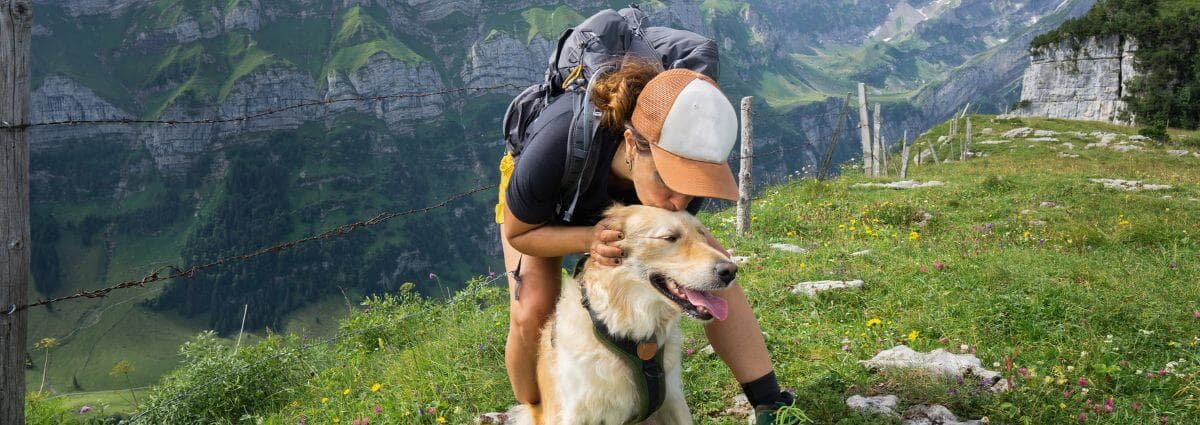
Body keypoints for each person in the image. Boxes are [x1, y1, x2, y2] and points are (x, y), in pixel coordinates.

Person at [496, 58, 792, 424]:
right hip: (545, 212)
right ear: (632, 145)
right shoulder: (557, 143)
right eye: (670, 181)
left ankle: (770, 405)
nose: (680, 202)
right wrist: (591, 238)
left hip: (622, 208)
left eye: (692, 184)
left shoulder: (681, 184)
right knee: (533, 307)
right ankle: (537, 407)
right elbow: (520, 233)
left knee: (710, 269)